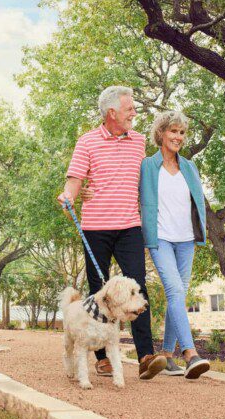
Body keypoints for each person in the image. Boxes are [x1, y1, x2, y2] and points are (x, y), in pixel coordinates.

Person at [57, 86, 167, 380]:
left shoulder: (139, 141)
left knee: (137, 285)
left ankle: (145, 355)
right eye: (129, 108)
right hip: (96, 228)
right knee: (99, 292)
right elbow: (74, 182)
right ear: (112, 113)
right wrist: (69, 197)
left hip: (130, 226)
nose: (134, 113)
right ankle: (103, 358)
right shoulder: (87, 142)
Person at [139, 111, 211, 379]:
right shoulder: (148, 165)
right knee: (175, 289)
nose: (178, 137)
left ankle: (167, 356)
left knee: (178, 295)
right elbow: (125, 187)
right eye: (173, 131)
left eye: (181, 132)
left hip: (186, 239)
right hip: (161, 239)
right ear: (161, 134)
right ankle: (191, 354)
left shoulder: (190, 167)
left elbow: (197, 203)